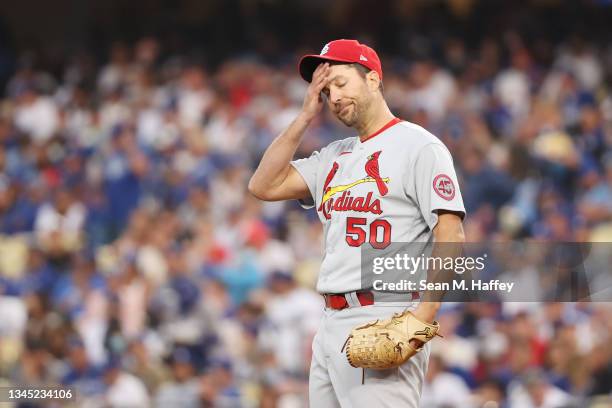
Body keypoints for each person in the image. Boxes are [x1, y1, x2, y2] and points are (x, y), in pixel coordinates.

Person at [249, 39, 466, 407]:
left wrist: (425, 313)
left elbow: (451, 232)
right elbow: (263, 185)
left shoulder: (418, 146)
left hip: (384, 314)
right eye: (326, 89)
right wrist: (303, 117)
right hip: (330, 321)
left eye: (342, 82)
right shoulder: (335, 155)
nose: (333, 96)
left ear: (373, 80)